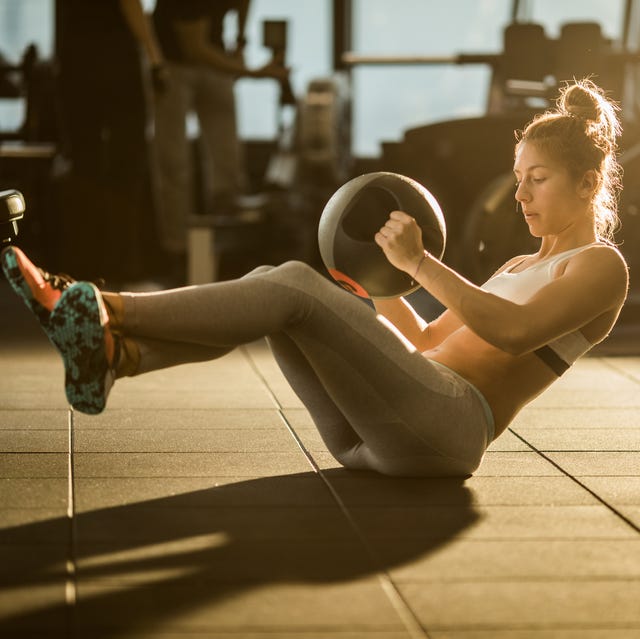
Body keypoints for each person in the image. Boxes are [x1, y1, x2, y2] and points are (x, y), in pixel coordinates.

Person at [1, 79, 629, 478]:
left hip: (447, 430)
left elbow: (515, 333)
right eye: (518, 176)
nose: (519, 193)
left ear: (588, 182)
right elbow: (430, 345)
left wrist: (417, 263)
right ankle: (118, 354)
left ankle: (93, 306)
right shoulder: (516, 267)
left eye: (537, 177)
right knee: (280, 284)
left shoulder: (600, 267)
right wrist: (374, 278)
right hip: (377, 434)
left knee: (294, 287)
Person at [151, 0, 289, 281]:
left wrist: (240, 39)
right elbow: (194, 48)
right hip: (171, 62)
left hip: (212, 52)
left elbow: (242, 3)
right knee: (174, 161)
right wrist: (254, 73)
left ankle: (229, 229)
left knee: (227, 151)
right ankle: (177, 251)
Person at [55, 0, 167, 283]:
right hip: (114, 58)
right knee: (126, 164)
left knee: (84, 163)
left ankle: (82, 265)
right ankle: (123, 266)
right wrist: (155, 58)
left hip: (74, 54)